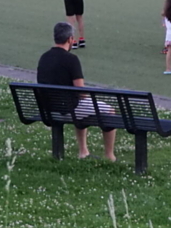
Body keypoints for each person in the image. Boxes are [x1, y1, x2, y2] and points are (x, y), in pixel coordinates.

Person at [37, 22, 117, 161]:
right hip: (68, 109)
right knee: (109, 111)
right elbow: (81, 91)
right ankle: (109, 155)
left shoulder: (44, 57)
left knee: (81, 106)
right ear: (70, 39)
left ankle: (83, 151)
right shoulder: (71, 59)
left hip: (49, 108)